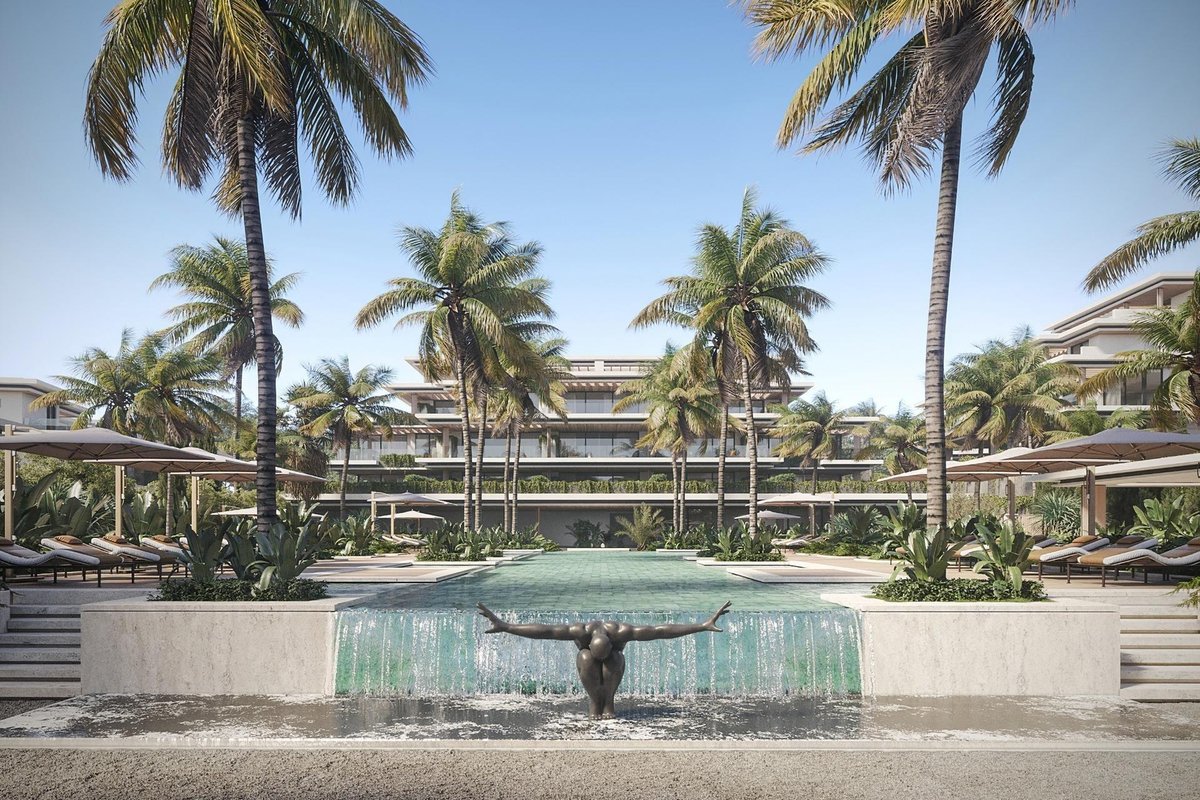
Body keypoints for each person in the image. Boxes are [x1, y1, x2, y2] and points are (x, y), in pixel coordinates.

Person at [476, 601, 731, 718]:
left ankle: (608, 703)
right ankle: (594, 702)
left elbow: (659, 631)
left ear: (609, 641)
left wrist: (702, 625)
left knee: (615, 660)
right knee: (586, 659)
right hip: (585, 658)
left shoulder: (622, 632)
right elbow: (546, 631)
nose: (602, 657)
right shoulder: (580, 632)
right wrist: (506, 626)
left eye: (605, 651)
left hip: (616, 662)